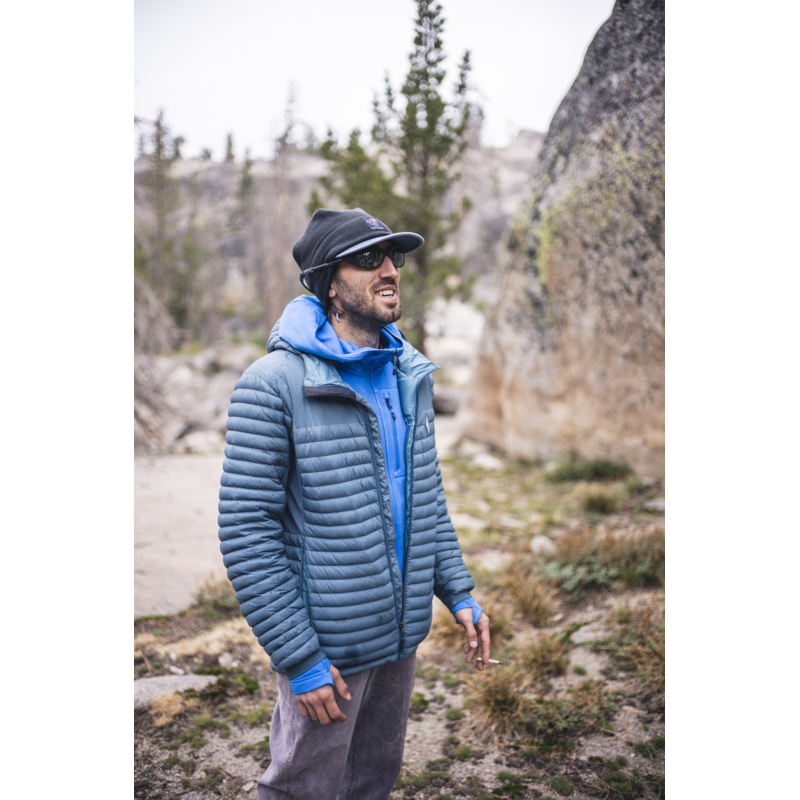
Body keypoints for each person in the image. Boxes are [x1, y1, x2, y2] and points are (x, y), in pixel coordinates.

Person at [218, 207, 491, 800]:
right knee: (303, 788)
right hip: (328, 646)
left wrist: (459, 592)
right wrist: (300, 659)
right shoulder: (273, 382)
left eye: (394, 257)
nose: (389, 270)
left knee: (372, 781)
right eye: (368, 259)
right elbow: (246, 530)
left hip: (399, 635)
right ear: (330, 285)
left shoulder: (408, 374)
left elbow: (425, 498)